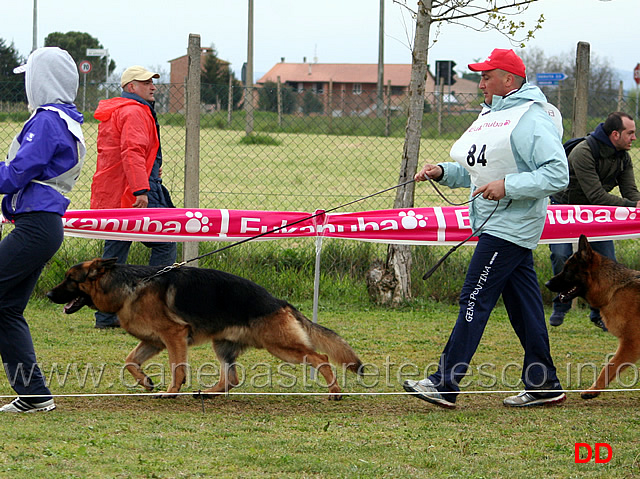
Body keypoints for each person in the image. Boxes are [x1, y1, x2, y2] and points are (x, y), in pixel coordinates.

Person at [403, 49, 568, 409]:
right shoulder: (493, 115)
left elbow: (557, 173)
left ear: (508, 80)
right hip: (497, 222)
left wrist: (507, 186)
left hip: (509, 226)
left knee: (473, 298)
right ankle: (544, 383)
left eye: (486, 77)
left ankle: (444, 382)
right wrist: (444, 172)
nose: (480, 84)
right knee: (524, 309)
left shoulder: (531, 119)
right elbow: (479, 172)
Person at [0, 47, 85, 412]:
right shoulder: (63, 118)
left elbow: (18, 173)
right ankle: (35, 396)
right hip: (41, 226)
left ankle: (35, 394)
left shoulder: (48, 120)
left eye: (28, 78)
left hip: (36, 227)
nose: (25, 87)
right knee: (5, 309)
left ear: (42, 79)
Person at [91, 66, 177, 329]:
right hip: (134, 190)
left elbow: (123, 153)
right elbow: (132, 151)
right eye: (145, 82)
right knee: (165, 240)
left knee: (114, 252)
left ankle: (106, 316)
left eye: (152, 81)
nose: (152, 86)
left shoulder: (119, 110)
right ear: (131, 87)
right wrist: (141, 188)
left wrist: (151, 166)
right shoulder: (134, 112)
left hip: (115, 189)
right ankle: (151, 307)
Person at [548, 112, 639, 331]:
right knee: (561, 256)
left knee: (607, 263)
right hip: (566, 210)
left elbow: (631, 192)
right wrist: (632, 206)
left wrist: (638, 204)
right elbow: (596, 196)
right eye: (630, 133)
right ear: (615, 134)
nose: (634, 138)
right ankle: (561, 303)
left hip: (596, 215)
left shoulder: (623, 157)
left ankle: (598, 312)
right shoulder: (584, 153)